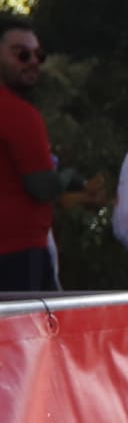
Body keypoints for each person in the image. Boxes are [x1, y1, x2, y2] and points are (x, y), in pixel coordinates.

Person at [0, 16, 63, 293]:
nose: (33, 61)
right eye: (21, 54)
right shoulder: (18, 114)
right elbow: (41, 186)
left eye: (39, 54)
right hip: (18, 252)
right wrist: (67, 179)